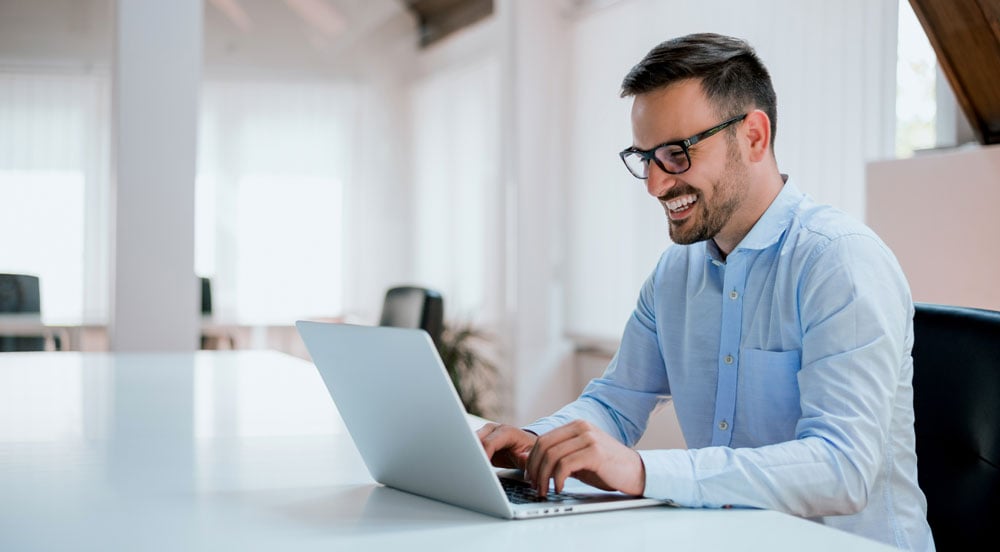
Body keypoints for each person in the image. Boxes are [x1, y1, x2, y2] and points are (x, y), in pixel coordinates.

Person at [477, 33, 934, 551]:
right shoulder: (677, 272)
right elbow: (618, 401)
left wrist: (640, 470)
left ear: (754, 137)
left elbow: (842, 468)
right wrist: (540, 443)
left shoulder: (841, 262)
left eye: (676, 154)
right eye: (644, 157)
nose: (654, 185)